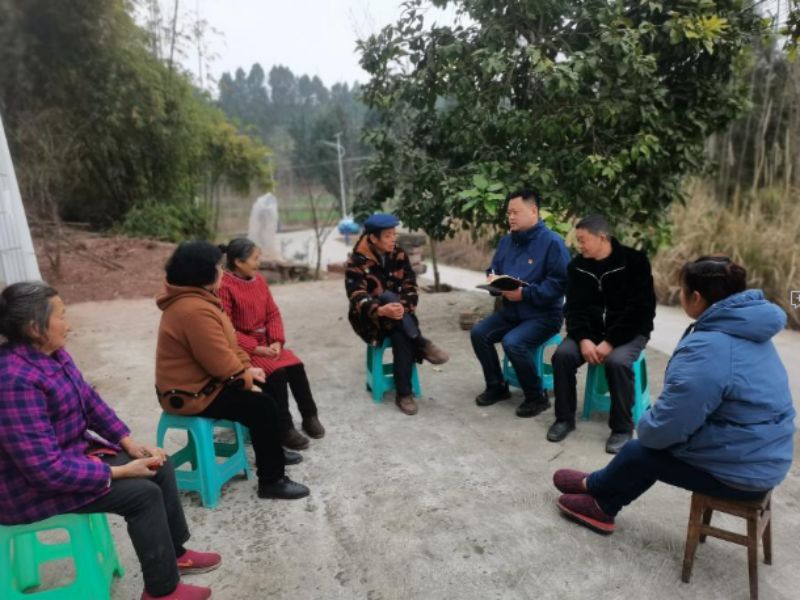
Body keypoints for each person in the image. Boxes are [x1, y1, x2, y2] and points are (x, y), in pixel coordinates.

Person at [0, 281, 219, 600]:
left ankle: (175, 555)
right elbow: (45, 470)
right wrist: (120, 471)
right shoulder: (14, 380)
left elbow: (89, 401)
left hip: (72, 457)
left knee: (158, 464)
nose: (69, 324)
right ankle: (162, 592)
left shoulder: (53, 354)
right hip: (29, 488)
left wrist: (127, 442)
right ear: (35, 327)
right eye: (61, 315)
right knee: (142, 494)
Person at [553, 257, 795, 535]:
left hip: (743, 471)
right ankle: (601, 491)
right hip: (761, 454)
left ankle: (598, 494)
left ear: (696, 297)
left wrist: (649, 426)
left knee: (641, 450)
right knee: (657, 441)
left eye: (682, 289)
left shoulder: (711, 347)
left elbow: (668, 427)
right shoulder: (747, 329)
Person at [155, 241, 310, 501]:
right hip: (191, 394)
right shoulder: (193, 311)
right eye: (217, 267)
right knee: (261, 406)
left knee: (270, 380)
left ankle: (273, 452)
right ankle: (272, 481)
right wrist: (245, 380)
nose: (221, 271)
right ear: (203, 273)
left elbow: (229, 344)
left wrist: (248, 369)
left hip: (205, 383)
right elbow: (218, 361)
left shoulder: (201, 301)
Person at [547, 215, 656, 453]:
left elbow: (641, 310)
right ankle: (564, 419)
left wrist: (610, 342)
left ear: (602, 238)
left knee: (617, 362)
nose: (579, 246)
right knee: (562, 356)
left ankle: (621, 428)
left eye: (583, 240)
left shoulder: (634, 262)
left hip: (629, 331)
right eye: (578, 240)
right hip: (590, 332)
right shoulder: (577, 266)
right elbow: (573, 309)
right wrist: (583, 338)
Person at [470, 189, 570, 417]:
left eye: (516, 212)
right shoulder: (507, 241)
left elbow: (560, 284)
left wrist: (525, 294)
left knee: (512, 342)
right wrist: (493, 280)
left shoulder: (553, 243)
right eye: (508, 213)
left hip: (544, 316)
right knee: (479, 333)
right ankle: (497, 386)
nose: (511, 217)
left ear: (534, 211)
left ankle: (536, 397)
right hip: (512, 312)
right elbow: (494, 269)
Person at [218, 237, 325, 451]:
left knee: (296, 366)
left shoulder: (259, 281)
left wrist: (276, 341)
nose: (259, 263)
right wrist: (255, 348)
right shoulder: (225, 287)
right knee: (277, 374)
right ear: (238, 262)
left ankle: (309, 415)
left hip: (267, 344)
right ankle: (284, 427)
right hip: (245, 350)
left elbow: (272, 313)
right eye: (255, 258)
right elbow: (226, 328)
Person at [345, 212, 449, 415]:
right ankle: (420, 344)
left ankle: (404, 393)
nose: (393, 239)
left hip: (399, 316)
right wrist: (380, 309)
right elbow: (356, 296)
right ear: (373, 238)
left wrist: (402, 306)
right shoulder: (356, 262)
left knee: (400, 332)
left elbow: (410, 286)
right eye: (388, 235)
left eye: (394, 234)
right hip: (370, 320)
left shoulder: (399, 254)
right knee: (387, 300)